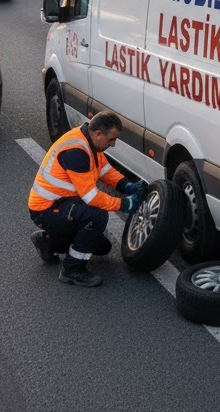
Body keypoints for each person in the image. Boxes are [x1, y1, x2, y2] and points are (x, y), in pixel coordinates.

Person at [28, 111, 147, 287]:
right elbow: (91, 197)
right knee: (97, 217)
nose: (113, 144)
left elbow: (104, 170)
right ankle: (71, 270)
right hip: (47, 210)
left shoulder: (89, 142)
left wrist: (126, 185)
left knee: (102, 247)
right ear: (98, 134)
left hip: (63, 203)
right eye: (111, 139)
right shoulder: (76, 152)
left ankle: (48, 242)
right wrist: (124, 204)